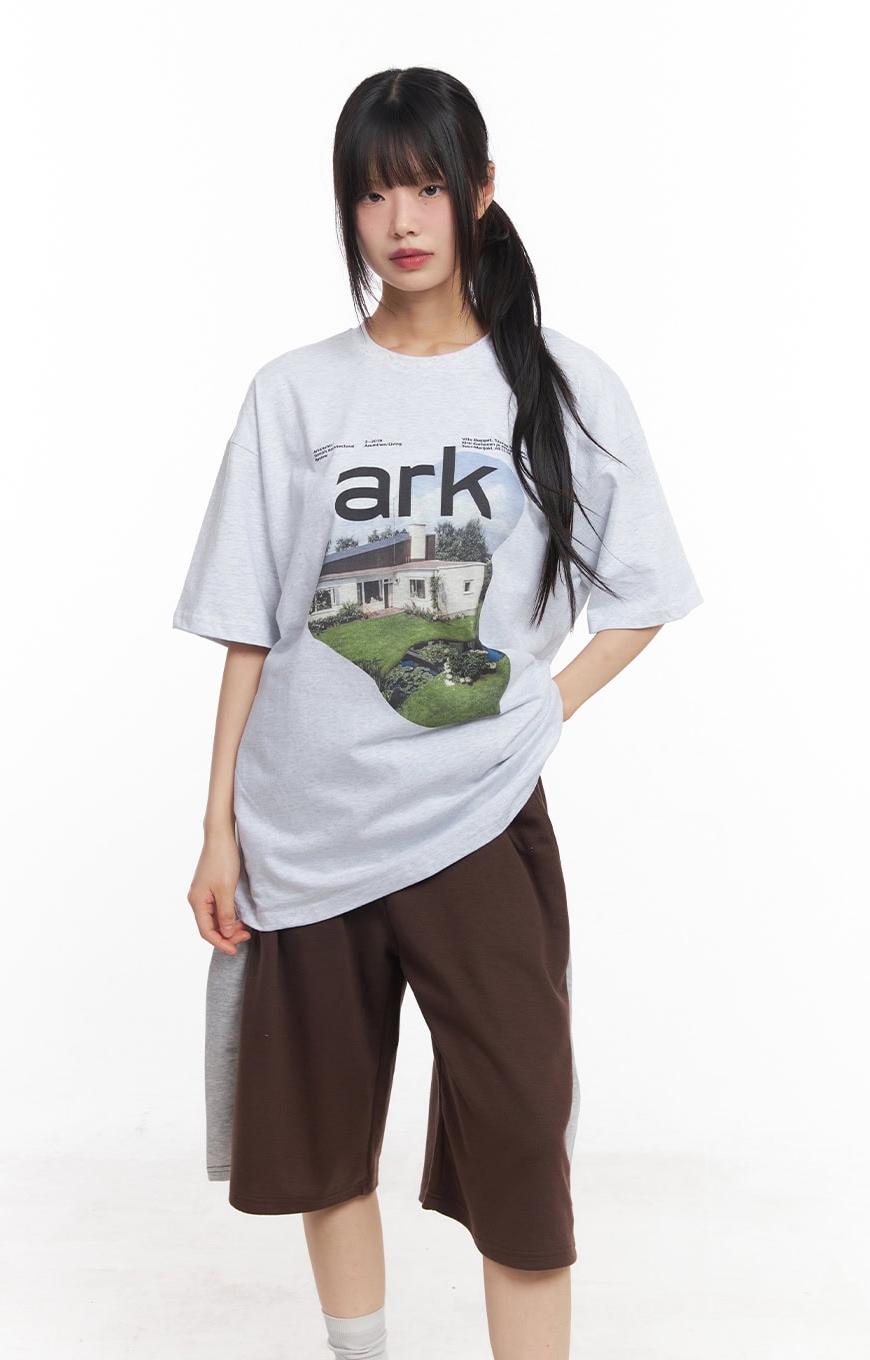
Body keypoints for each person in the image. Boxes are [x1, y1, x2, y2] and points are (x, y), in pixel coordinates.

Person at [171, 66, 703, 1360]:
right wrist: (220, 827)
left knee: (519, 1140)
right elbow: (251, 624)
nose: (402, 220)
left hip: (474, 819)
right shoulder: (296, 393)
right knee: (322, 1134)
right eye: (372, 194)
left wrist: (538, 711)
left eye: (425, 185)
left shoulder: (560, 387)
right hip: (305, 824)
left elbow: (643, 592)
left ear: (481, 190)